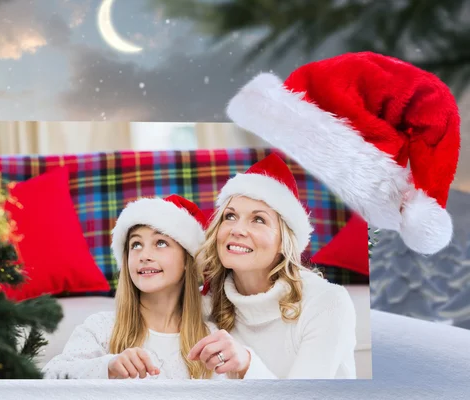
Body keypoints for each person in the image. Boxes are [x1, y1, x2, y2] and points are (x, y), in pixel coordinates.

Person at [43, 195, 271, 379]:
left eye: (160, 243)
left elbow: (272, 393)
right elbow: (48, 379)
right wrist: (108, 367)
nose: (144, 255)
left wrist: (246, 363)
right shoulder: (101, 329)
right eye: (136, 244)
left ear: (187, 261)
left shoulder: (211, 339)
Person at [188, 154, 358, 379]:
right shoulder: (206, 303)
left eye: (258, 220)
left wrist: (247, 363)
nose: (237, 229)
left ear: (284, 242)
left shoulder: (327, 302)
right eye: (230, 216)